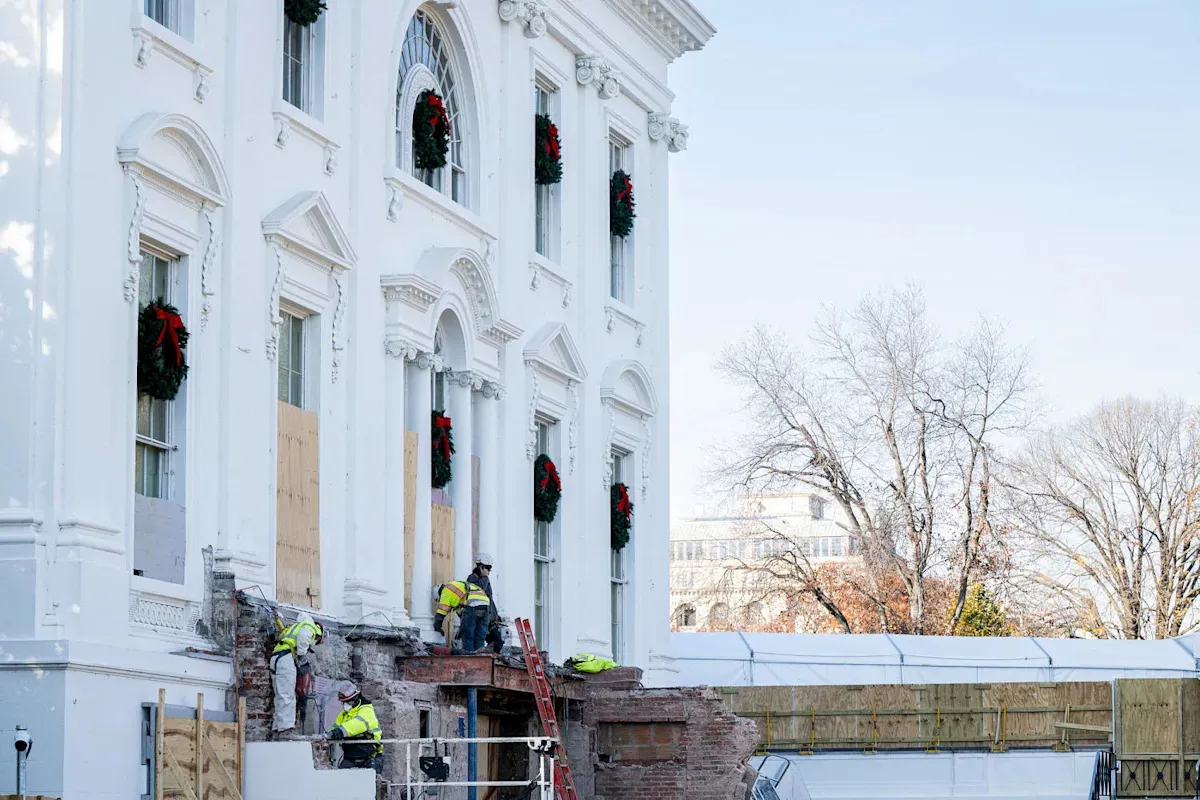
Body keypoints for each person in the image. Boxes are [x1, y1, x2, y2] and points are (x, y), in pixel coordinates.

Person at [270, 612, 324, 734]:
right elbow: (304, 638)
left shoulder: (294, 627)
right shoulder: (310, 627)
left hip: (276, 657)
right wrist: (301, 655)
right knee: (287, 694)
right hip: (286, 658)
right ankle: (286, 728)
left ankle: (277, 726)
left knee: (279, 693)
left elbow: (283, 635)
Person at [329, 685, 383, 771]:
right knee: (340, 779)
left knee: (369, 783)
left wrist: (341, 731)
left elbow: (357, 724)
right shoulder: (343, 714)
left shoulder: (366, 710)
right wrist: (328, 735)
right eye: (344, 702)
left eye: (348, 702)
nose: (346, 704)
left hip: (369, 757)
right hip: (350, 756)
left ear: (356, 698)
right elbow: (334, 728)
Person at [433, 579, 490, 653]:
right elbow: (462, 615)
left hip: (472, 604)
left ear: (439, 594)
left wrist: (437, 626)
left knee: (468, 636)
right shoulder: (457, 589)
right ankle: (481, 658)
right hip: (485, 604)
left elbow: (441, 612)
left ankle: (470, 659)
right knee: (480, 636)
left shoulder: (446, 590)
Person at [467, 553, 504, 653]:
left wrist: (495, 615)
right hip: (481, 618)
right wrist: (485, 578)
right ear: (481, 567)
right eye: (488, 569)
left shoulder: (484, 579)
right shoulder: (473, 578)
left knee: (497, 643)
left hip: (489, 618)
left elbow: (489, 600)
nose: (489, 572)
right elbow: (479, 592)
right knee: (487, 642)